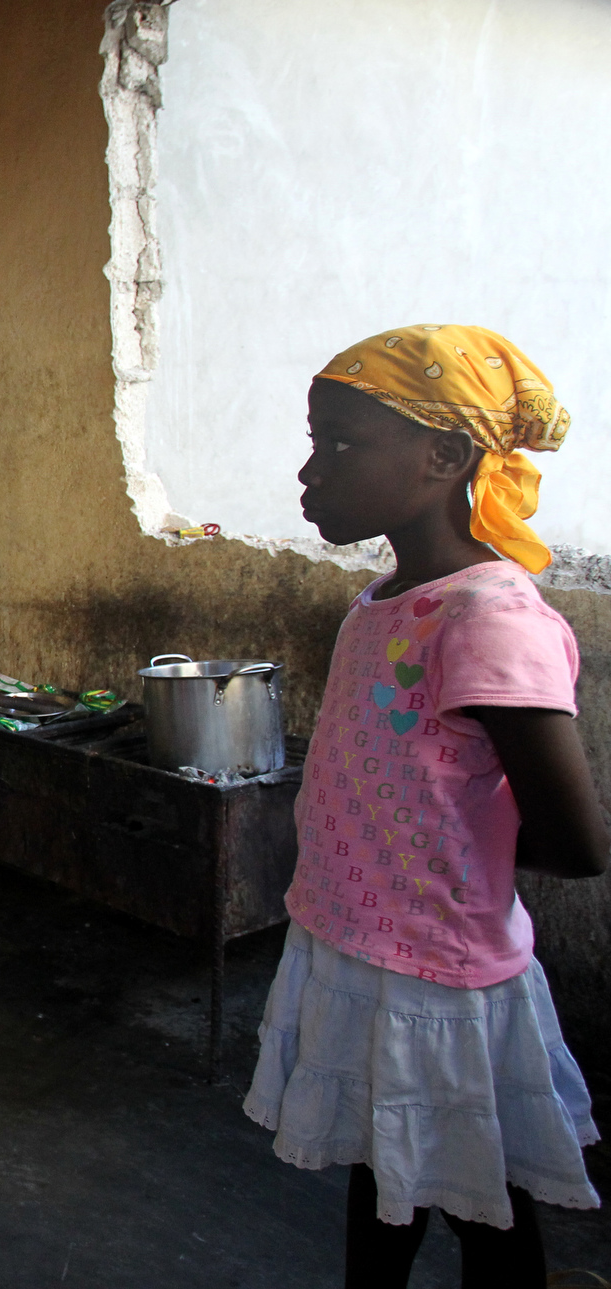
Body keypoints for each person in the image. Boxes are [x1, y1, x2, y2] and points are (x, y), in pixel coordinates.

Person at [245, 325, 606, 1288]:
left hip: (438, 977)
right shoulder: (384, 599)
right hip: (360, 946)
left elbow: (576, 841)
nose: (311, 470)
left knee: (484, 1205)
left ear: (444, 456)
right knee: (384, 1169)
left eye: (340, 442)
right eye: (315, 440)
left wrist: (436, 859)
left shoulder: (490, 618)